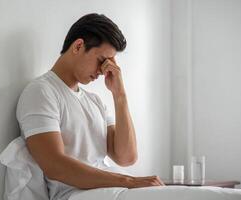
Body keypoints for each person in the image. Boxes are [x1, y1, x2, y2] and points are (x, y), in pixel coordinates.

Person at [16, 13, 165, 200]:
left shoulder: (95, 102)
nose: (103, 71)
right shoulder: (41, 92)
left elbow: (126, 157)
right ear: (78, 46)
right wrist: (129, 181)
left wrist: (119, 95)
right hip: (76, 195)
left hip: (111, 191)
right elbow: (54, 165)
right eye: (102, 61)